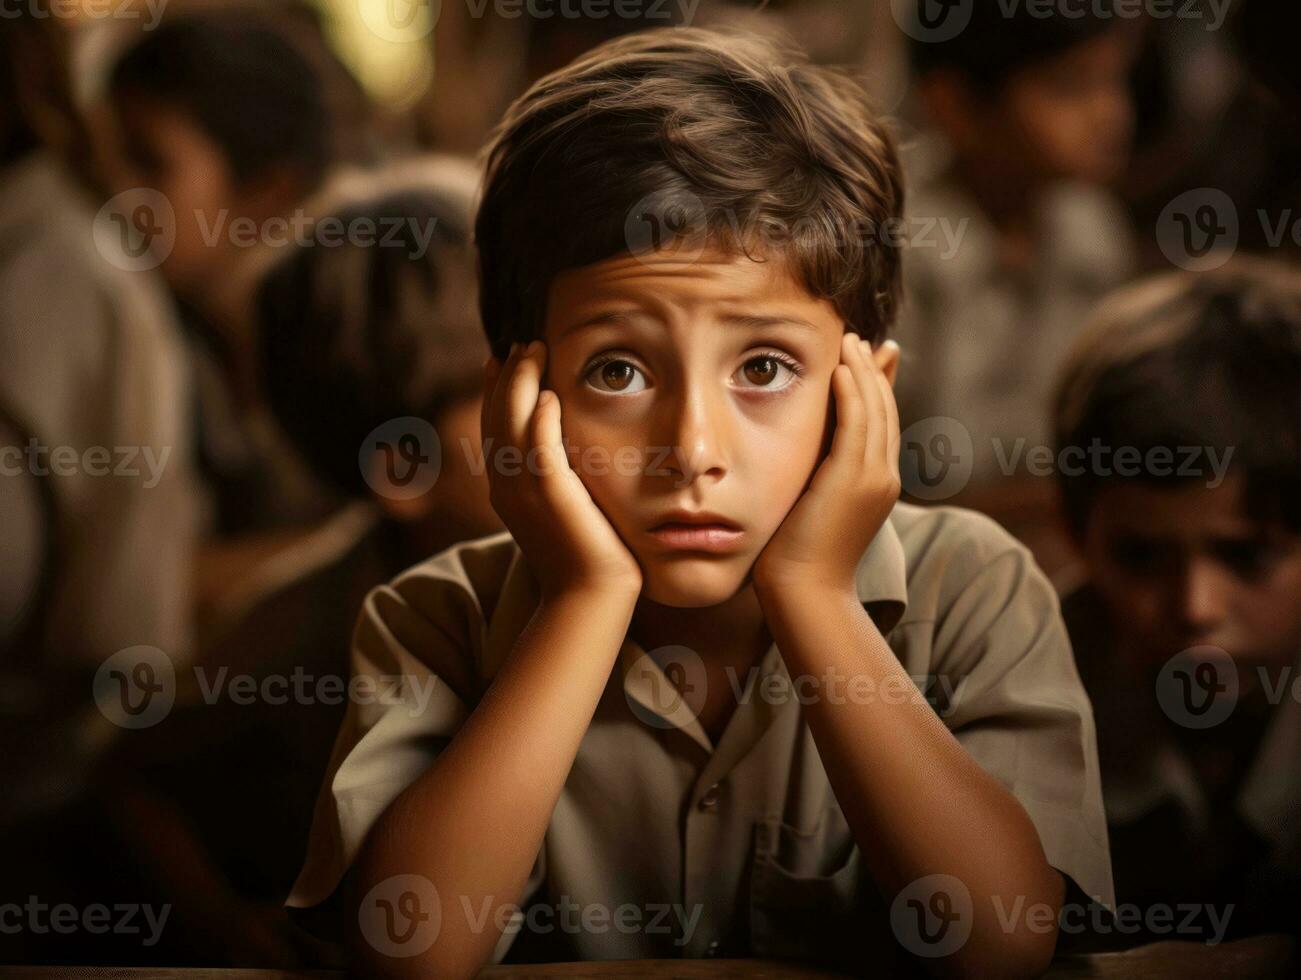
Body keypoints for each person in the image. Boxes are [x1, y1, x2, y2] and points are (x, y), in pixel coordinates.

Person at [289, 28, 1113, 977]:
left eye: (763, 367)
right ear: (518, 397)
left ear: (865, 393)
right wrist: (581, 600)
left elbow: (999, 946)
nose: (692, 451)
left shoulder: (974, 592)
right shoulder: (433, 619)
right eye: (618, 369)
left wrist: (814, 593)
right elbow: (411, 954)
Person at [1053, 260, 1301, 947]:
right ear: (1077, 536)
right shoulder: (1019, 691)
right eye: (1140, 557)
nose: (1195, 607)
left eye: (1246, 555)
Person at [893, 1, 1140, 512]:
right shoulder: (896, 245)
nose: (1111, 114)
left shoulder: (1091, 225)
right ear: (954, 106)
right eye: (1070, 87)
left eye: (1115, 81)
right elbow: (900, 486)